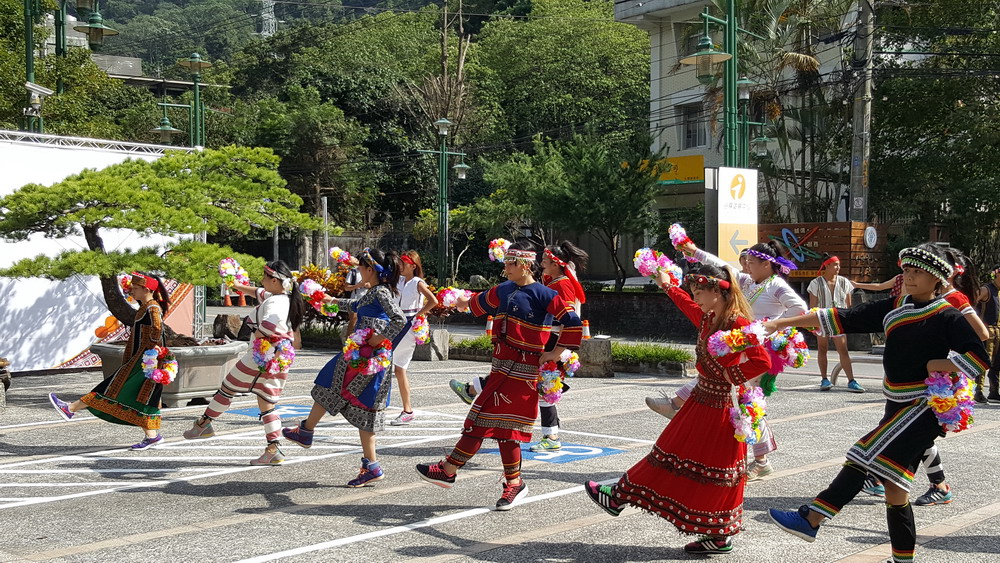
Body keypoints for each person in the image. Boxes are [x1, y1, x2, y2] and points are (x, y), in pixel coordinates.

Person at [766, 244, 988, 563]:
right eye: (907, 271)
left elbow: (978, 359)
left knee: (863, 454)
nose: (909, 277)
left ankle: (812, 518)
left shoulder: (947, 315)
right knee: (895, 489)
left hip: (924, 407)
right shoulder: (896, 306)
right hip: (895, 405)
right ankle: (902, 560)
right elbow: (843, 317)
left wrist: (936, 364)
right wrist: (783, 323)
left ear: (937, 279)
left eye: (918, 272)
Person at [584, 263, 771, 555]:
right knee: (678, 456)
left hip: (719, 406)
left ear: (717, 291)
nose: (694, 296)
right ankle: (716, 536)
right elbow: (685, 304)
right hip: (701, 399)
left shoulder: (737, 323)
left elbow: (762, 361)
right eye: (693, 291)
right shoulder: (708, 317)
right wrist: (666, 284)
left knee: (699, 463)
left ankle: (619, 497)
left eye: (699, 291)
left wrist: (729, 375)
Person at [415, 239, 582, 511]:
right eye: (506, 263)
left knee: (492, 424)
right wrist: (455, 300)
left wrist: (555, 352)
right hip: (500, 368)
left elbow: (572, 321)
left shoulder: (544, 294)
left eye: (510, 263)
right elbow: (473, 303)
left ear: (524, 264)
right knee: (501, 429)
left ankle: (451, 469)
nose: (506, 268)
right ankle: (511, 482)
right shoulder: (504, 289)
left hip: (524, 372)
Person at [647, 239, 808, 480]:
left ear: (766, 264)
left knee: (748, 406)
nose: (746, 266)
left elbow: (800, 309)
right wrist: (694, 253)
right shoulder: (745, 283)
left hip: (755, 349)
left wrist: (770, 327)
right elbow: (722, 268)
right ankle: (679, 408)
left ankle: (758, 460)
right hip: (737, 346)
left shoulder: (776, 286)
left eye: (751, 262)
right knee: (726, 393)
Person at [448, 240, 589, 453]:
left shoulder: (554, 288)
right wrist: (464, 302)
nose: (542, 262)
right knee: (533, 390)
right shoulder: (513, 288)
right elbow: (485, 300)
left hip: (544, 346)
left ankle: (548, 436)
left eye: (545, 260)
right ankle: (475, 395)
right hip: (521, 353)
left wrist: (556, 352)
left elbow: (570, 320)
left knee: (540, 389)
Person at [282, 248, 406, 486]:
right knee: (348, 394)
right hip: (363, 355)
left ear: (370, 269)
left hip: (368, 357)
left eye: (360, 266)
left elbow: (399, 319)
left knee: (338, 386)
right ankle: (369, 465)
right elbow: (356, 305)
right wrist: (330, 301)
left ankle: (308, 432)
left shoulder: (381, 292)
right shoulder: (375, 291)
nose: (357, 269)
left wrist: (379, 339)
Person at [183, 261, 306, 465]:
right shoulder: (283, 298)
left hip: (262, 357)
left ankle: (204, 424)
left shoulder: (275, 303)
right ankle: (273, 448)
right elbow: (258, 292)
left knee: (228, 388)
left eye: (265, 277)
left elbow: (270, 327)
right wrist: (238, 286)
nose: (261, 280)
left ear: (275, 281)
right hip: (278, 358)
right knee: (266, 402)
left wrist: (257, 333)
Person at [49, 273, 172, 450]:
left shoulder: (152, 308)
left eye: (135, 289)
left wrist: (152, 354)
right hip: (142, 359)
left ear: (146, 289)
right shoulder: (147, 307)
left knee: (113, 388)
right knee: (139, 396)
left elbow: (157, 331)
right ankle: (152, 437)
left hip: (144, 361)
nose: (132, 291)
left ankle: (71, 408)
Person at [389, 250, 439, 426]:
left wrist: (419, 314)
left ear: (413, 266)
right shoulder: (399, 280)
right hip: (396, 322)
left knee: (398, 368)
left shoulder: (418, 282)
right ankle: (405, 409)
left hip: (408, 326)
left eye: (403, 264)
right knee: (394, 367)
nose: (400, 266)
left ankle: (407, 410)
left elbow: (433, 301)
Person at [807, 255, 864, 392]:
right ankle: (824, 379)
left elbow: (848, 305)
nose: (838, 267)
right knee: (822, 348)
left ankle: (851, 380)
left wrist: (849, 321)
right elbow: (812, 306)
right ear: (826, 266)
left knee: (843, 349)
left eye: (838, 264)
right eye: (835, 264)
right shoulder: (815, 283)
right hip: (822, 318)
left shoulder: (844, 282)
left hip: (839, 318)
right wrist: (813, 324)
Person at [975, 265, 1000, 403]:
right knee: (984, 361)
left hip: (999, 331)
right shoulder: (986, 289)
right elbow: (971, 304)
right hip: (987, 330)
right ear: (995, 274)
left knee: (997, 362)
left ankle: (994, 391)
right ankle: (978, 391)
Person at [344, 254, 370, 333]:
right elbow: (346, 287)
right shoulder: (353, 272)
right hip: (355, 299)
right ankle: (348, 339)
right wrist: (358, 285)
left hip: (367, 299)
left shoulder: (370, 271)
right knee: (353, 321)